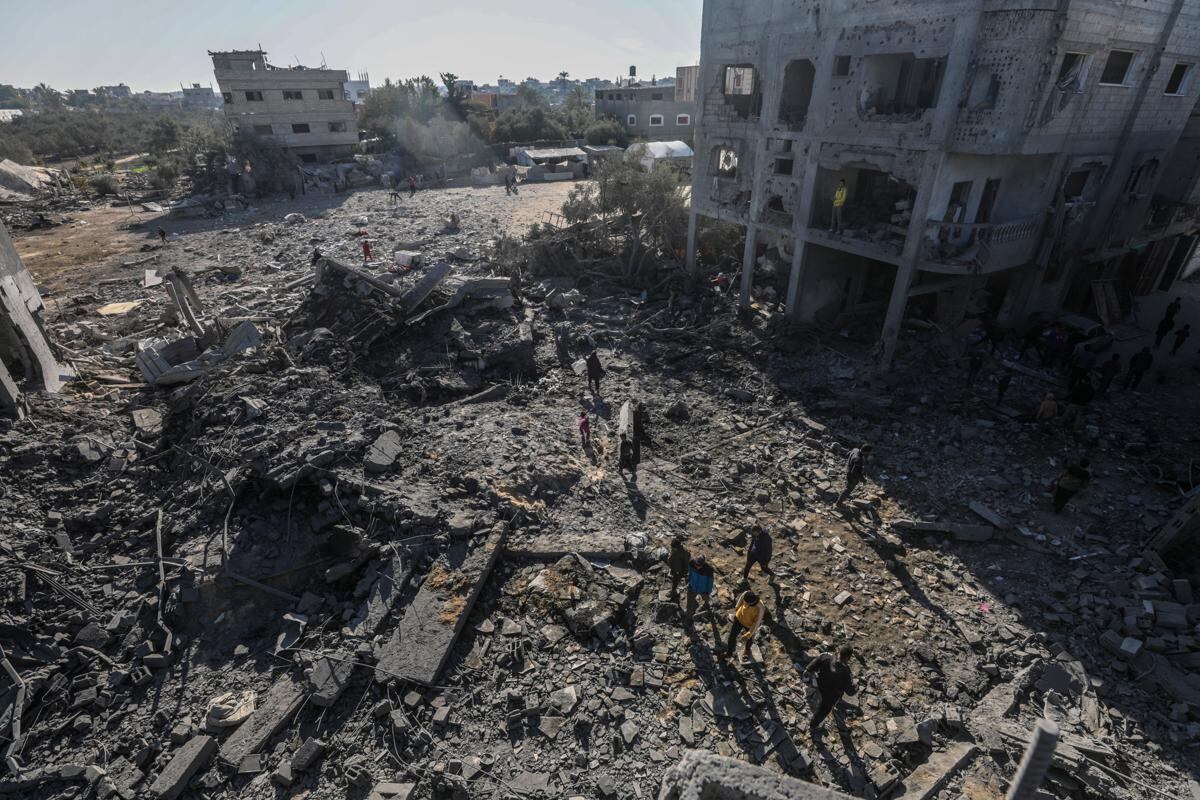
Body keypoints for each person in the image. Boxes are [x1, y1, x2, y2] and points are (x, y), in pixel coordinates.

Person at [806, 646, 857, 737]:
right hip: (831, 697)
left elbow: (809, 668)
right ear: (848, 658)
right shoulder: (846, 672)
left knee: (821, 708)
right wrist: (857, 686)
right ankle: (813, 726)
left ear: (838, 651)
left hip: (819, 687)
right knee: (822, 712)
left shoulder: (825, 656)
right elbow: (850, 692)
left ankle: (813, 725)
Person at [718, 591, 763, 664]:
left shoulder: (760, 608)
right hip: (739, 619)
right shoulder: (747, 594)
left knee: (749, 638)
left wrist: (748, 634)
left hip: (749, 625)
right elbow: (743, 594)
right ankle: (729, 654)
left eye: (747, 603)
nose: (745, 604)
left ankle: (747, 651)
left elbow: (756, 624)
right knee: (732, 636)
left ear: (752, 602)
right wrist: (737, 606)